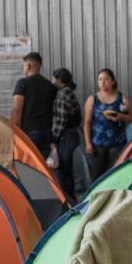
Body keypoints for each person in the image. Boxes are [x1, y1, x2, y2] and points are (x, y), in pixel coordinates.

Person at [83, 69, 132, 179]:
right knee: (97, 176)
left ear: (113, 81)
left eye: (106, 79)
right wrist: (88, 142)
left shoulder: (122, 99)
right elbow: (87, 122)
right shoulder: (92, 99)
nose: (103, 82)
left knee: (116, 174)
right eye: (100, 79)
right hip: (98, 143)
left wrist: (120, 116)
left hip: (117, 143)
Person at [12, 52, 58, 149]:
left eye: (24, 65)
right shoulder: (50, 86)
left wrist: (14, 128)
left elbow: (17, 109)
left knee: (29, 162)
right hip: (47, 131)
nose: (23, 68)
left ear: (28, 66)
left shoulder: (22, 83)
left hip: (29, 132)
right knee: (43, 162)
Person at [50, 68, 81, 198]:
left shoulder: (62, 94)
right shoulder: (69, 92)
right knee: (67, 169)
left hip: (65, 136)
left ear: (59, 80)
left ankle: (67, 200)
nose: (52, 81)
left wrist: (54, 139)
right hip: (72, 134)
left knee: (62, 169)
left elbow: (61, 119)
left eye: (53, 78)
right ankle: (70, 197)